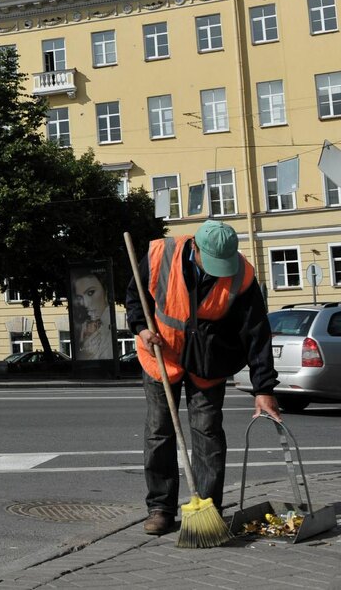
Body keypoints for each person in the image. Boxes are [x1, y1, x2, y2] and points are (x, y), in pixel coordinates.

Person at [125, 220, 280, 536]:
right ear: (194, 247)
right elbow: (135, 298)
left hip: (210, 362)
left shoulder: (242, 275)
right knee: (159, 431)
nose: (217, 271)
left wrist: (263, 388)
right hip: (162, 356)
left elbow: (256, 332)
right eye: (211, 263)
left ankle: (207, 510)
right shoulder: (159, 256)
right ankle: (160, 509)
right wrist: (141, 329)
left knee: (208, 432)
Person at [72, 269, 114, 360]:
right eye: (79, 297)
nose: (85, 304)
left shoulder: (109, 325)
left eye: (90, 293)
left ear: (105, 291)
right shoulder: (85, 326)